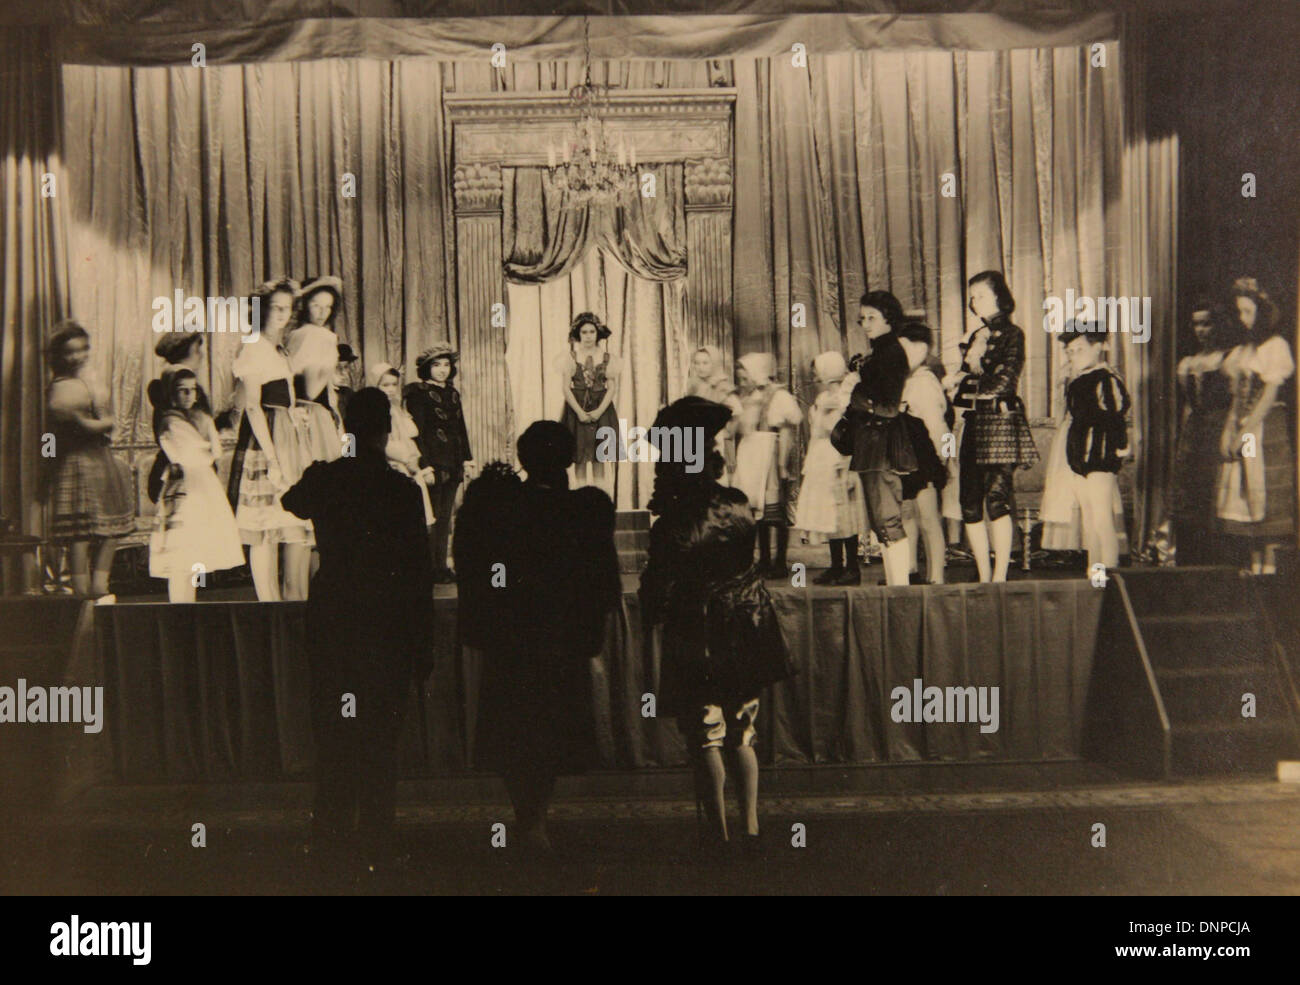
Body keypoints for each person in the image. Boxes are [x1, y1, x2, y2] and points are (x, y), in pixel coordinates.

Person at [281, 388, 435, 873]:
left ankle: (328, 840)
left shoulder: (328, 479)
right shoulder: (402, 490)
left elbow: (293, 501)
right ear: (386, 428)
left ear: (346, 427)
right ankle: (377, 841)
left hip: (335, 615)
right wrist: (422, 643)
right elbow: (417, 572)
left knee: (334, 733)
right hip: (386, 621)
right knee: (380, 738)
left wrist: (322, 467)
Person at [455, 421, 620, 856]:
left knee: (517, 730)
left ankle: (529, 818)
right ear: (567, 460)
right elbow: (603, 580)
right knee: (547, 731)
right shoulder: (587, 508)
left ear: (525, 460)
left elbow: (476, 567)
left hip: (512, 641)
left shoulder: (500, 509)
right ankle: (534, 820)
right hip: (560, 641)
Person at [640, 396, 794, 855]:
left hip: (699, 632)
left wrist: (654, 612)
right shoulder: (739, 504)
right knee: (742, 729)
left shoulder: (672, 522)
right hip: (747, 625)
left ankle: (716, 833)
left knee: (706, 734)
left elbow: (657, 588)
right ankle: (749, 826)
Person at [946, 271, 1039, 582]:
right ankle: (984, 575)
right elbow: (961, 384)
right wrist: (966, 384)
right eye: (972, 297)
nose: (975, 302)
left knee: (996, 499)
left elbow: (1003, 381)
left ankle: (1000, 576)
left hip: (999, 423)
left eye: (981, 296)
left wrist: (968, 384)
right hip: (975, 423)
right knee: (968, 501)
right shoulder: (975, 337)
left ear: (1000, 296)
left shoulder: (1014, 334)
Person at [226, 278, 313, 601]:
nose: (281, 314)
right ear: (262, 310)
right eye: (275, 308)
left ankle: (287, 605)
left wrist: (297, 416)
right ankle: (268, 604)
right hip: (266, 440)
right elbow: (252, 406)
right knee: (264, 529)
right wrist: (272, 458)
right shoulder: (253, 347)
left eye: (286, 309)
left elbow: (285, 397)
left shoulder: (280, 349)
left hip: (289, 436)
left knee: (286, 521)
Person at [42, 321, 133, 598]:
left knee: (110, 530)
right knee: (79, 534)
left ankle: (99, 586)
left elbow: (105, 420)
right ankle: (82, 591)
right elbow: (67, 430)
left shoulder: (89, 379)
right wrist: (98, 423)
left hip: (101, 460)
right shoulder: (59, 387)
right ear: (59, 356)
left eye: (82, 350)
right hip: (76, 462)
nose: (77, 357)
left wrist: (101, 422)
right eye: (70, 352)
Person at [835, 291, 917, 587]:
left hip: (882, 442)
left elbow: (887, 406)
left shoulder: (890, 353)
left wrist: (856, 393)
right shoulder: (881, 353)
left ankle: (900, 589)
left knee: (887, 519)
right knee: (882, 521)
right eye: (863, 318)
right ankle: (896, 586)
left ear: (888, 320)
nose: (865, 323)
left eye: (872, 317)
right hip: (874, 442)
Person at [1217, 277, 1295, 574]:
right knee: (1245, 491)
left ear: (1262, 312)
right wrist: (1229, 430)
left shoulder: (1275, 346)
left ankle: (1269, 568)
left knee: (1263, 491)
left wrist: (1246, 431)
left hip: (1263, 429)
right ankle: (1253, 564)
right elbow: (1237, 398)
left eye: (1248, 312)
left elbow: (1268, 396)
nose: (1243, 319)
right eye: (1240, 312)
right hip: (1242, 424)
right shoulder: (1244, 351)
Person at [1040, 323, 1131, 574]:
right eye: (1069, 352)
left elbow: (1115, 416)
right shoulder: (1077, 381)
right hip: (1080, 454)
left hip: (1100, 454)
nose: (1072, 356)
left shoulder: (1106, 379)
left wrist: (1121, 448)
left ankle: (1110, 573)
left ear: (1099, 347)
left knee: (1101, 517)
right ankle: (1095, 571)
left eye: (1079, 350)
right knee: (1090, 517)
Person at [148, 367, 244, 602]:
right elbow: (190, 453)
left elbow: (216, 451)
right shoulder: (169, 421)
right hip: (184, 484)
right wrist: (205, 447)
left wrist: (206, 443)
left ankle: (188, 603)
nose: (189, 396)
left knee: (196, 547)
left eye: (192, 390)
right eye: (182, 391)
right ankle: (179, 603)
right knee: (182, 546)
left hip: (204, 484)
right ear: (172, 394)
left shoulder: (202, 418)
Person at [794, 351, 867, 585]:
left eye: (818, 370)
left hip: (839, 456)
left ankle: (852, 567)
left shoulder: (846, 399)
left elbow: (850, 432)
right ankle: (836, 566)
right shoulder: (823, 398)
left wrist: (846, 464)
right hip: (821, 458)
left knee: (845, 513)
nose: (814, 375)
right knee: (829, 514)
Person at [1171, 301, 1235, 565]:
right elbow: (1188, 403)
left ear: (1217, 325)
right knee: (1191, 491)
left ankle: (1217, 558)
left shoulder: (1228, 358)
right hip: (1195, 431)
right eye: (1197, 324)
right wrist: (1183, 439)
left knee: (1215, 488)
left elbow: (1236, 402)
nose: (1201, 330)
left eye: (1206, 323)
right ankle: (1192, 558)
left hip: (1219, 427)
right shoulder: (1187, 363)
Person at [404, 343, 473, 583]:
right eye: (436, 365)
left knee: (446, 518)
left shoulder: (453, 393)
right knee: (431, 517)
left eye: (446, 365)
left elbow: (461, 428)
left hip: (453, 463)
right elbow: (417, 433)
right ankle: (428, 569)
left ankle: (441, 567)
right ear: (426, 368)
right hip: (433, 464)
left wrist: (467, 459)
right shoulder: (417, 393)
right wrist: (424, 466)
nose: (442, 370)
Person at [732, 353, 802, 579]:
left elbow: (788, 427)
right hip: (751, 453)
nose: (744, 382)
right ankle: (762, 559)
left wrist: (782, 463)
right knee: (757, 511)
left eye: (746, 377)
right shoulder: (749, 396)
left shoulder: (778, 395)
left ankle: (780, 561)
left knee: (775, 511)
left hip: (769, 452)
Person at [897, 322, 950, 584]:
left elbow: (938, 425)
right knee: (907, 514)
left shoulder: (926, 383)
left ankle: (937, 576)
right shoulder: (902, 382)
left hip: (923, 458)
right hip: (903, 458)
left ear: (921, 348)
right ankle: (909, 570)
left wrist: (944, 457)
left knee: (928, 518)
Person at [558, 312, 621, 496]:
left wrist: (599, 411)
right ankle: (579, 504)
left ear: (598, 334)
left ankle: (600, 503)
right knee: (579, 459)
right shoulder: (570, 357)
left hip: (601, 410)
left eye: (591, 332)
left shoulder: (607, 357)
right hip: (576, 409)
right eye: (584, 332)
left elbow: (611, 388)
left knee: (598, 459)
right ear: (578, 334)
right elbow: (565, 387)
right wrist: (578, 412)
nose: (588, 336)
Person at [147, 332, 211, 505]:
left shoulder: (163, 388)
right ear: (185, 355)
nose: (202, 355)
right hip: (184, 471)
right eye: (197, 350)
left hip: (172, 467)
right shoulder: (187, 392)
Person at [372, 362, 435, 528]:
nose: (391, 389)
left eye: (394, 384)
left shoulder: (396, 409)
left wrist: (414, 461)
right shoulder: (376, 411)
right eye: (385, 385)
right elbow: (382, 443)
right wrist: (406, 458)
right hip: (390, 466)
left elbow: (408, 439)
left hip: (408, 466)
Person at [685, 345, 742, 479]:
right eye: (697, 363)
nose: (700, 367)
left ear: (714, 364)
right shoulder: (693, 386)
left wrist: (728, 434)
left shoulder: (722, 387)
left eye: (705, 363)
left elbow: (737, 411)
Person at [334, 343, 359, 423]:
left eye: (346, 367)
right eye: (338, 368)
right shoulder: (321, 399)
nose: (344, 373)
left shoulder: (349, 394)